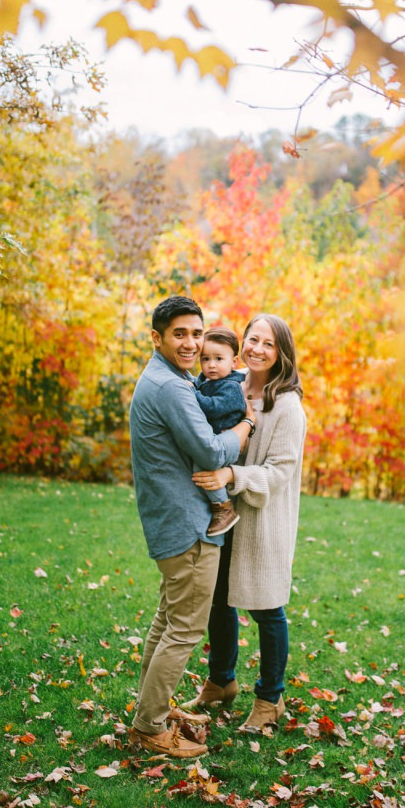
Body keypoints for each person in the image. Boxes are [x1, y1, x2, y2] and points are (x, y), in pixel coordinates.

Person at [126, 295, 256, 759]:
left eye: (196, 334)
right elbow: (210, 451)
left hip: (170, 520)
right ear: (157, 337)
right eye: (180, 333)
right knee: (183, 628)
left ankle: (153, 708)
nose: (191, 343)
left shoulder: (167, 378)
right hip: (188, 525)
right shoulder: (172, 387)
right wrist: (245, 425)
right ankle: (149, 726)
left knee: (167, 621)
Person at [189, 314, 307, 737]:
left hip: (261, 518)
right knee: (218, 600)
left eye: (268, 344)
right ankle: (221, 681)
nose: (257, 349)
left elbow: (279, 472)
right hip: (223, 514)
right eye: (253, 339)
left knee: (266, 608)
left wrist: (232, 477)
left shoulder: (288, 407)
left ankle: (269, 698)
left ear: (282, 354)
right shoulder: (230, 385)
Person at [193, 326, 250, 537]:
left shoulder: (232, 387)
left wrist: (191, 394)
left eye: (218, 359)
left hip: (228, 442)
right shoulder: (209, 381)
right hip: (216, 438)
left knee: (203, 461)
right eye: (205, 359)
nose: (211, 365)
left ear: (234, 362)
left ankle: (223, 507)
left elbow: (213, 407)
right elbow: (199, 383)